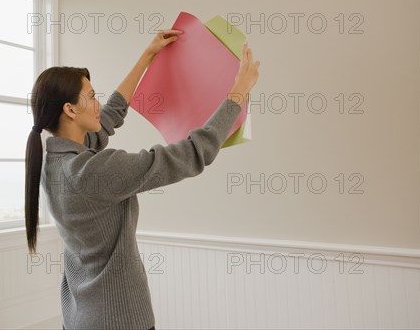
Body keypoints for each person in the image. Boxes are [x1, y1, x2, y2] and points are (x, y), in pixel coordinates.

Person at [25, 29, 260, 330]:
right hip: (119, 319)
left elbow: (108, 117)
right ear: (70, 110)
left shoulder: (53, 165)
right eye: (91, 96)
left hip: (78, 318)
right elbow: (189, 154)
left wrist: (147, 56)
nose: (98, 103)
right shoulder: (94, 172)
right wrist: (238, 91)